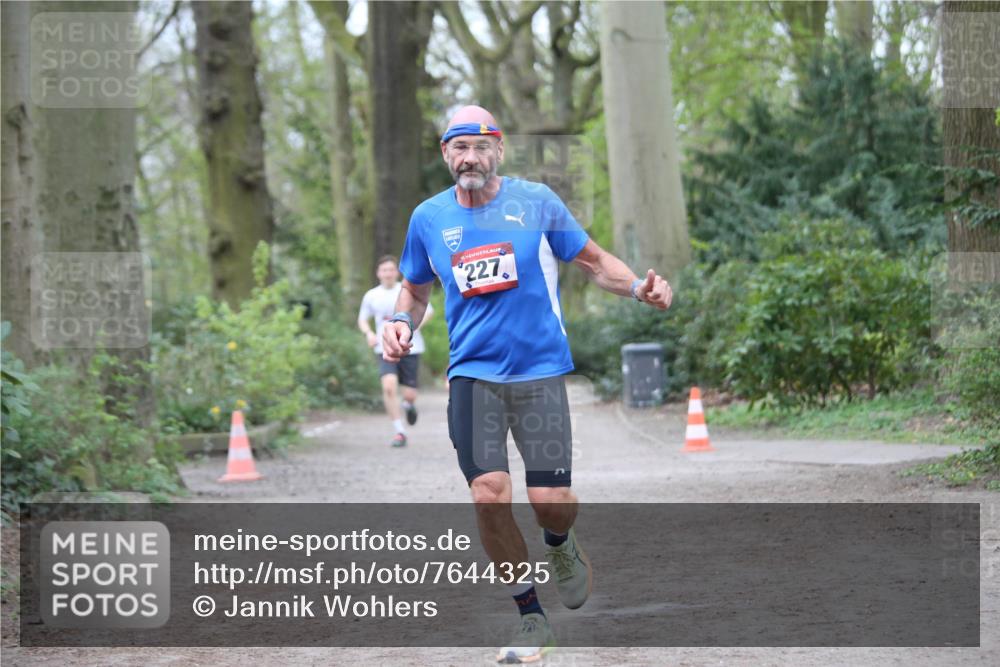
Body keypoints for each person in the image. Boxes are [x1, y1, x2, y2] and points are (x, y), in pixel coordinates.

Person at [382, 106, 672, 663]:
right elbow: (415, 292)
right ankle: (530, 617)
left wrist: (639, 287)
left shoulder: (536, 202)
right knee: (488, 496)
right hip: (472, 376)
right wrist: (399, 322)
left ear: (499, 151)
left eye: (481, 146)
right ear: (445, 153)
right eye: (459, 147)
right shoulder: (427, 218)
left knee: (550, 502)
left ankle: (560, 544)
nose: (470, 157)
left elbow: (591, 262)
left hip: (539, 374)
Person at [357, 254, 433, 447]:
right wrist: (369, 333)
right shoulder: (371, 295)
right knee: (389, 386)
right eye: (384, 270)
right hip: (385, 347)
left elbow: (429, 311)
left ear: (396, 272)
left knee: (409, 394)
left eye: (391, 270)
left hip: (410, 347)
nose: (388, 273)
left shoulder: (407, 290)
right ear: (378, 273)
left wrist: (414, 327)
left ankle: (408, 404)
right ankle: (400, 431)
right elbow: (362, 319)